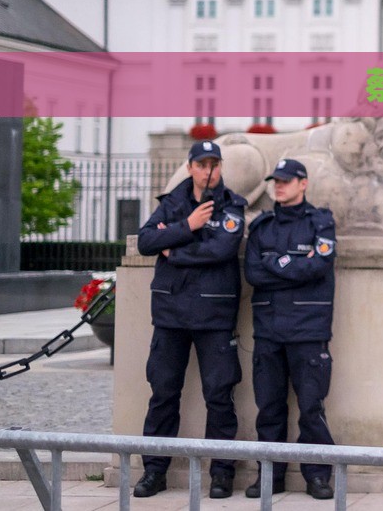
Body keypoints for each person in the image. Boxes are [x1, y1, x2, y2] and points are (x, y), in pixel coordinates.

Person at [133, 140, 246, 499]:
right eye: (202, 164)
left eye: (214, 164)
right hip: (170, 316)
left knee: (219, 395)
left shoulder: (231, 206)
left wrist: (175, 249)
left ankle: (222, 471)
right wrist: (188, 225)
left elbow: (221, 250)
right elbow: (146, 241)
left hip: (214, 315)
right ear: (191, 167)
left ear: (221, 168)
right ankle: (154, 471)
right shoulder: (171, 203)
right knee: (163, 392)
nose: (208, 170)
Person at [243, 158, 338, 500]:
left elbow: (320, 265)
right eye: (275, 181)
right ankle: (271, 475)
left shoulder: (320, 222)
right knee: (269, 409)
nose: (278, 186)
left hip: (309, 330)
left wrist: (277, 263)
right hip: (269, 330)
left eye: (286, 181)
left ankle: (317, 476)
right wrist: (295, 266)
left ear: (303, 184)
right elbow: (253, 274)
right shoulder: (262, 226)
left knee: (311, 408)